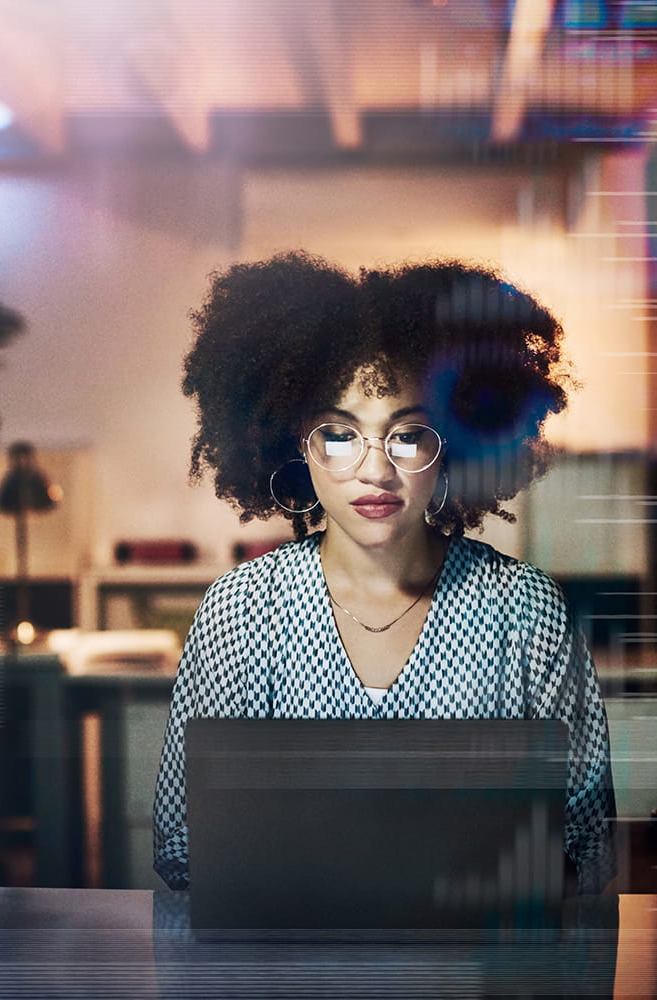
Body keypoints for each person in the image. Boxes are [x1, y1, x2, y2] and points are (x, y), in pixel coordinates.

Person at [153, 250, 617, 895]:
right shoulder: (242, 609)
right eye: (339, 435)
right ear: (294, 447)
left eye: (408, 434)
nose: (376, 470)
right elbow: (183, 843)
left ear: (455, 442)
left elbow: (587, 842)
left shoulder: (527, 610)